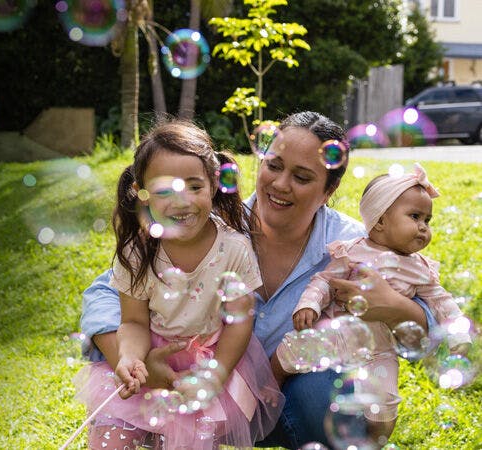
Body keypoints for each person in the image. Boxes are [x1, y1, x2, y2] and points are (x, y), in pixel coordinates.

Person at [80, 111, 439, 449]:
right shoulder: (203, 221)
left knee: (322, 393)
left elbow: (432, 317)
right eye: (274, 166)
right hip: (195, 389)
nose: (280, 184)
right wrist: (137, 364)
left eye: (301, 177)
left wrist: (393, 307)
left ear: (328, 191)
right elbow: (106, 293)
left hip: (279, 400)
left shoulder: (352, 248)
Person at [74, 120, 284, 449]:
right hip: (152, 351)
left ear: (214, 184)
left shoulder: (234, 249)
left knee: (183, 439)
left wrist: (217, 373)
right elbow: (132, 321)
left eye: (194, 187)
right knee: (111, 440)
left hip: (207, 362)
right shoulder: (138, 252)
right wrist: (129, 357)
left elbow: (239, 323)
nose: (181, 201)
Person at [271, 162, 471, 442]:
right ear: (379, 221)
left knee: (386, 401)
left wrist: (457, 331)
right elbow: (325, 281)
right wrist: (309, 305)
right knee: (290, 351)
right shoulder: (352, 251)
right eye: (415, 216)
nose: (424, 228)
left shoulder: (420, 268)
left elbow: (441, 300)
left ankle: (374, 441)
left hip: (379, 350)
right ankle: (266, 391)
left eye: (427, 220)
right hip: (337, 334)